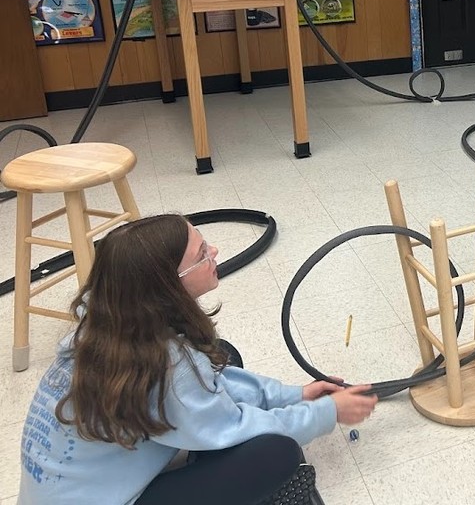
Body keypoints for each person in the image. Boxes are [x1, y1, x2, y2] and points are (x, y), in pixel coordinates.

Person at [19, 214, 378, 504]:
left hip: (75, 489)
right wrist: (328, 413)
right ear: (167, 285)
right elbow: (230, 425)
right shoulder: (166, 365)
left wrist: (293, 396)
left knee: (223, 356)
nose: (215, 252)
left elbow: (209, 376)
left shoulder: (109, 325)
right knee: (276, 454)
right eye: (201, 254)